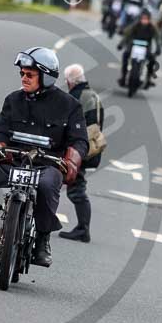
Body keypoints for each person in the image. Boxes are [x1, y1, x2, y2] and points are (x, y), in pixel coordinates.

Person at [0, 47, 89, 267]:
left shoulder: (70, 106)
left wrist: (72, 160)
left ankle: (43, 240)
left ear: (46, 76)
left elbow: (80, 140)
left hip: (46, 167)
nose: (24, 78)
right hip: (12, 162)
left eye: (29, 74)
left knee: (48, 184)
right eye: (22, 73)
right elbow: (1, 131)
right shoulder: (13, 100)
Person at [59, 64, 103, 243]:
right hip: (89, 148)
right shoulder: (92, 95)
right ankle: (82, 228)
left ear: (70, 81)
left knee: (76, 188)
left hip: (80, 149)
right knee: (75, 186)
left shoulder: (78, 97)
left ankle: (83, 229)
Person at [117, 9, 162, 88]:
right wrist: (121, 44)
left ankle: (148, 80)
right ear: (140, 18)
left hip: (146, 48)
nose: (144, 21)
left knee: (152, 60)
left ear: (149, 19)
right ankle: (123, 77)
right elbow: (127, 34)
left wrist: (158, 48)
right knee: (125, 56)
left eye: (146, 19)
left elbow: (157, 38)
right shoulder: (135, 26)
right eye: (143, 19)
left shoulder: (153, 27)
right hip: (133, 47)